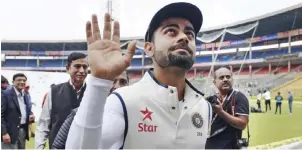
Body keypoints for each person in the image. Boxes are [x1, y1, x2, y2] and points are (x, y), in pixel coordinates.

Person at [66, 2, 212, 149]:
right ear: (149, 49)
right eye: (171, 31)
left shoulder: (204, 107)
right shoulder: (123, 101)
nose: (184, 38)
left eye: (190, 34)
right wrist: (99, 82)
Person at [52, 71, 129, 149]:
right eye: (113, 81)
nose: (117, 86)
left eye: (123, 82)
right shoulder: (79, 114)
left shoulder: (133, 117)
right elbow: (57, 147)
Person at [35, 52, 88, 149]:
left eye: (85, 67)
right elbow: (43, 124)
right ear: (68, 68)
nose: (81, 70)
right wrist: (39, 147)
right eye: (77, 66)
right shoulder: (54, 91)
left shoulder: (92, 94)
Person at [205, 67, 249, 149]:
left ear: (232, 80)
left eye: (228, 77)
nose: (225, 79)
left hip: (230, 147)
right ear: (214, 82)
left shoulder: (239, 97)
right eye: (221, 77)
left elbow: (242, 124)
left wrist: (221, 112)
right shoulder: (211, 99)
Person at [1, 73, 35, 149]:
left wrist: (31, 116)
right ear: (13, 82)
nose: (22, 82)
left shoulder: (25, 95)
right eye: (19, 80)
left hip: (22, 131)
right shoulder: (5, 94)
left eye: (24, 80)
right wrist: (4, 133)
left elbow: (27, 110)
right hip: (9, 132)